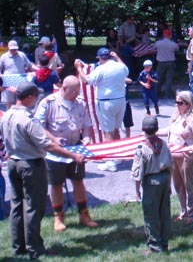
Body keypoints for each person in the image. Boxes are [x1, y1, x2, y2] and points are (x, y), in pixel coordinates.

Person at [1, 81, 84, 260]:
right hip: (30, 165)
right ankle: (35, 248)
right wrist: (72, 155)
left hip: (13, 163)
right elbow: (46, 145)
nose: (37, 99)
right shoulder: (28, 119)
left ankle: (18, 246)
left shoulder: (6, 115)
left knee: (17, 206)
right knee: (33, 206)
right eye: (35, 96)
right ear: (29, 97)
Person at [35, 75, 98, 232]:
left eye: (78, 91)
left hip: (76, 150)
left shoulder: (80, 103)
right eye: (73, 92)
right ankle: (59, 217)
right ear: (63, 88)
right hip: (55, 153)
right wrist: (54, 139)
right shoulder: (48, 103)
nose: (76, 94)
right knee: (56, 184)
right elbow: (39, 126)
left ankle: (84, 215)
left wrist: (87, 138)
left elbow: (87, 124)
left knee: (79, 181)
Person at [74, 48, 128, 171]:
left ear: (99, 58)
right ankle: (117, 156)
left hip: (106, 102)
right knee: (116, 129)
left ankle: (111, 161)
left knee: (108, 132)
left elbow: (87, 80)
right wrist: (117, 57)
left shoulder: (101, 69)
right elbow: (126, 70)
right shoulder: (119, 66)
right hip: (120, 100)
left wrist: (79, 68)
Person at [156, 91, 193, 224]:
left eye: (180, 102)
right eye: (176, 102)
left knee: (188, 184)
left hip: (188, 157)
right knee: (178, 184)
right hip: (173, 156)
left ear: (188, 104)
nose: (177, 105)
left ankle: (192, 214)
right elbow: (170, 130)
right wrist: (153, 133)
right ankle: (183, 211)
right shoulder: (176, 117)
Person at [131, 115, 173, 254]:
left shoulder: (141, 148)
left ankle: (155, 246)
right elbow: (170, 165)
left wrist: (137, 191)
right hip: (164, 180)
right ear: (156, 129)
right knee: (164, 213)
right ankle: (165, 242)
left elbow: (137, 172)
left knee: (151, 215)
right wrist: (169, 184)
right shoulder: (164, 144)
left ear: (143, 129)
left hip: (151, 183)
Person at [0, 40, 37, 110]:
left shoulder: (22, 55)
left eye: (15, 49)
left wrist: (37, 70)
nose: (13, 50)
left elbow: (29, 66)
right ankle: (9, 115)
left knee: (21, 99)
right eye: (12, 49)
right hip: (8, 82)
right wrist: (1, 75)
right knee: (9, 100)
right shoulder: (4, 57)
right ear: (8, 48)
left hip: (20, 81)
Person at [154, 29, 179, 98]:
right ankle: (167, 94)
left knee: (158, 78)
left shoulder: (158, 43)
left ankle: (157, 93)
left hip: (160, 62)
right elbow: (177, 50)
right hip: (171, 62)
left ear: (163, 35)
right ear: (170, 35)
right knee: (169, 78)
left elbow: (154, 49)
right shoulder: (173, 44)